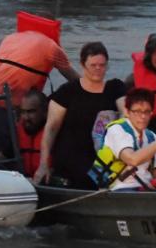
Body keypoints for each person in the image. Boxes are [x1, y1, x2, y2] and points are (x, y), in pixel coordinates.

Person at [33, 42, 127, 190]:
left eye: (102, 65)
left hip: (103, 158)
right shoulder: (67, 92)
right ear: (83, 65)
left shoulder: (115, 88)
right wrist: (43, 164)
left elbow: (126, 111)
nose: (98, 69)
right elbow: (51, 128)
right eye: (93, 65)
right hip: (71, 158)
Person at [0, 29, 79, 154]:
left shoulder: (11, 38)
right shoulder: (52, 47)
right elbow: (76, 80)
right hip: (0, 102)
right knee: (4, 153)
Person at [90, 88, 156, 191]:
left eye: (147, 111)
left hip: (146, 189)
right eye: (137, 111)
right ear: (127, 112)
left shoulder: (152, 137)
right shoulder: (116, 129)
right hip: (119, 189)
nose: (143, 116)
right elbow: (132, 159)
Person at [5, 88, 47, 178]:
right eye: (23, 112)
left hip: (47, 182)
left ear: (45, 112)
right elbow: (5, 154)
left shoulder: (57, 133)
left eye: (31, 112)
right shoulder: (17, 132)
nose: (26, 117)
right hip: (24, 180)